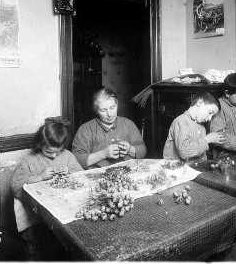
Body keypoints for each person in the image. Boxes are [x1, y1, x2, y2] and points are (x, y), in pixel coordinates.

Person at [11, 116, 83, 260]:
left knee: (65, 244)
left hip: (62, 210)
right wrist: (40, 177)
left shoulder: (67, 156)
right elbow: (15, 185)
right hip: (37, 217)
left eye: (58, 151)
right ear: (40, 144)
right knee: (40, 248)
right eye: (49, 152)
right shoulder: (29, 160)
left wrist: (69, 172)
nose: (54, 155)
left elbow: (81, 174)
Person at [72, 88, 146, 169]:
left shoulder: (128, 124)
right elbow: (77, 159)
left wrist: (129, 149)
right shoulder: (86, 129)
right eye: (103, 110)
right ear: (96, 111)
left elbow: (142, 151)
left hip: (128, 172)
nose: (109, 114)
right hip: (98, 177)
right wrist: (104, 154)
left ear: (117, 105)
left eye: (112, 108)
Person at [163, 91, 227, 165]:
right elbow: (184, 152)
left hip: (196, 170)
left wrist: (213, 141)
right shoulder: (181, 121)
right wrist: (207, 139)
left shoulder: (202, 127)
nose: (209, 118)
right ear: (199, 103)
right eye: (210, 113)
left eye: (212, 116)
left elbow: (200, 152)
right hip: (179, 171)